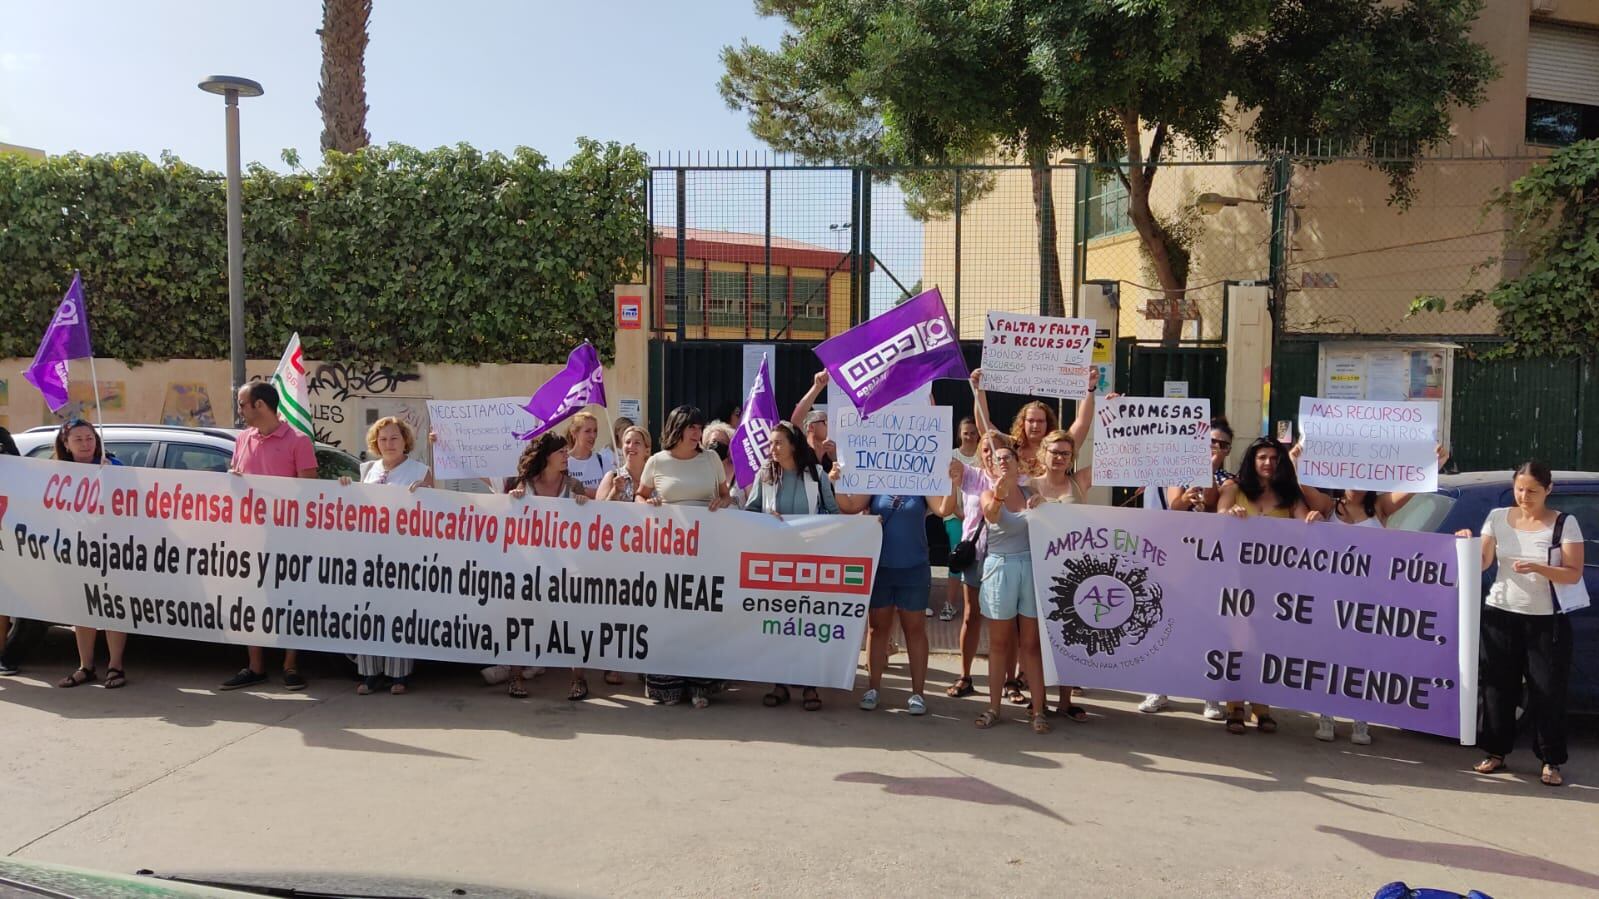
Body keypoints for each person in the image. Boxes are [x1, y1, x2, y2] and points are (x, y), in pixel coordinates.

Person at [1296, 442, 1447, 744]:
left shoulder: (1380, 507)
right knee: (1330, 656)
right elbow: (1303, 484)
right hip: (1332, 595)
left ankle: (1360, 720)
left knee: (1363, 658)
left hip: (1370, 596)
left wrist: (1435, 463)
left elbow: (1413, 486)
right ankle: (1326, 716)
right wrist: (1296, 458)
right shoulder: (1328, 506)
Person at [1457, 462, 1585, 787]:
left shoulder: (1563, 524)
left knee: (1547, 692)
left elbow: (1573, 572)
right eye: (1519, 489)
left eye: (1532, 491)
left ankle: (1551, 760)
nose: (1524, 496)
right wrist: (1467, 545)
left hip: (1546, 621)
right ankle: (1496, 752)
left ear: (1548, 490)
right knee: (1498, 688)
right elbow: (1484, 561)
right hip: (1501, 612)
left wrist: (1540, 569)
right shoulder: (1498, 517)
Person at [833, 460, 960, 717]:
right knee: (877, 628)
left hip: (914, 567)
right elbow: (848, 506)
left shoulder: (921, 479)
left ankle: (917, 693)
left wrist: (954, 481)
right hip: (881, 567)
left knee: (914, 629)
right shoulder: (875, 478)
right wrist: (835, 479)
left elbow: (945, 508)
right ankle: (874, 688)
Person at [221, 383, 319, 692]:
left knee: (287, 599)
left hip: (286, 537)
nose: (240, 411)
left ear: (260, 405)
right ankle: (255, 666)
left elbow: (310, 492)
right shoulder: (243, 439)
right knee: (251, 599)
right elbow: (236, 480)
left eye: (242, 404)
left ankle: (290, 665)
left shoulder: (299, 441)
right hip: (248, 535)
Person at [635, 405, 733, 708]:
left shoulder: (711, 459)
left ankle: (701, 686)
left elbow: (726, 494)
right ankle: (667, 686)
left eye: (699, 427)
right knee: (669, 616)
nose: (697, 433)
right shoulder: (657, 462)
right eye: (691, 427)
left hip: (706, 551)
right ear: (677, 429)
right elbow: (639, 494)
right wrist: (647, 502)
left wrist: (722, 501)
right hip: (668, 553)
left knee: (700, 615)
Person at [1139, 416, 1236, 718]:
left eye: (1223, 444)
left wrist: (1207, 475)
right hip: (1171, 561)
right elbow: (1176, 505)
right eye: (1211, 442)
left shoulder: (1228, 481)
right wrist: (1192, 481)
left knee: (1206, 628)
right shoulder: (1175, 472)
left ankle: (1209, 695)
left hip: (1207, 563)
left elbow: (1217, 511)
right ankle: (1159, 688)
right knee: (1164, 623)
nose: (1216, 448)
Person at [1215, 437, 1310, 734]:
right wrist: (1230, 515)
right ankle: (1234, 706)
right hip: (1235, 580)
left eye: (1273, 458)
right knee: (1238, 643)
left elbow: (1304, 523)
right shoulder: (1234, 489)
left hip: (1274, 583)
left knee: (1266, 644)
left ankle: (1262, 706)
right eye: (1262, 458)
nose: (1268, 463)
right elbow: (1218, 516)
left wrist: (1312, 518)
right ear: (1252, 462)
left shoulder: (1289, 496)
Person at [748, 422, 841, 712]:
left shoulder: (816, 475)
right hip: (775, 562)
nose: (772, 448)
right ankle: (780, 683)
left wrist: (863, 525)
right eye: (771, 443)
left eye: (778, 443)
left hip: (809, 561)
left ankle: (809, 685)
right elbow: (749, 512)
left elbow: (834, 514)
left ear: (793, 445)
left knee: (806, 623)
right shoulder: (764, 476)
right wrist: (767, 519)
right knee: (779, 623)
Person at [339, 417, 431, 696]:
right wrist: (345, 487)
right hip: (369, 552)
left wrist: (427, 495)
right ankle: (369, 673)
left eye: (394, 438)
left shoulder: (420, 471)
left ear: (405, 441)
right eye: (383, 439)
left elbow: (435, 511)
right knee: (368, 610)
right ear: (375, 443)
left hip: (404, 554)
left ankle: (398, 674)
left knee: (399, 611)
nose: (388, 444)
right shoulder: (367, 469)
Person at [971, 435, 1050, 733]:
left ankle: (1038, 710)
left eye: (1008, 457)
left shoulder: (1031, 491)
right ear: (990, 467)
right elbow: (992, 516)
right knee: (1000, 644)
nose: (1002, 461)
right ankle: (993, 707)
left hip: (1030, 568)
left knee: (1031, 645)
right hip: (1000, 569)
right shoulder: (988, 495)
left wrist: (1044, 506)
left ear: (1018, 464)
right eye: (996, 458)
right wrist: (1001, 494)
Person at [505, 431, 590, 700]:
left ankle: (578, 680)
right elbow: (507, 518)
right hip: (530, 565)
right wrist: (514, 499)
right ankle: (515, 678)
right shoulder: (524, 484)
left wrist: (584, 504)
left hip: (566, 567)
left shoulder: (573, 485)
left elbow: (591, 519)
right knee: (521, 621)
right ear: (546, 456)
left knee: (573, 623)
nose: (567, 456)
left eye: (566, 452)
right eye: (561, 452)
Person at [52, 420, 131, 690]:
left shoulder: (113, 466)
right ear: (66, 444)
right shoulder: (54, 471)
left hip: (111, 549)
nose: (86, 444)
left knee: (113, 608)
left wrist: (113, 477)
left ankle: (115, 666)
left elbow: (134, 499)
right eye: (79, 439)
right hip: (75, 550)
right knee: (82, 609)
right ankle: (86, 667)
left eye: (89, 438)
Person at [593, 425, 652, 687]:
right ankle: (612, 664)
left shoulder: (657, 478)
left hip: (648, 557)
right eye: (627, 442)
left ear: (647, 449)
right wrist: (615, 492)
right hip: (617, 558)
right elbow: (596, 513)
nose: (630, 447)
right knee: (615, 613)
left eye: (637, 442)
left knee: (643, 613)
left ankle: (642, 664)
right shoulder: (613, 475)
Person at [937, 416, 981, 622]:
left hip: (980, 519)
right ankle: (950, 604)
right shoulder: (952, 456)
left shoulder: (983, 456)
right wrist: (961, 514)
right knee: (958, 556)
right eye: (966, 433)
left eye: (973, 433)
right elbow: (948, 489)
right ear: (959, 435)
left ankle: (979, 606)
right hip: (956, 516)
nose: (970, 437)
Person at [790, 370, 837, 470]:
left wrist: (835, 458)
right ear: (811, 427)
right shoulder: (802, 451)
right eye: (825, 422)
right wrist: (817, 387)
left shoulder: (831, 456)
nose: (830, 427)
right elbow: (796, 421)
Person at [564, 411, 615, 498]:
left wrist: (583, 490)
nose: (593, 435)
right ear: (574, 433)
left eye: (595, 431)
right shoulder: (564, 461)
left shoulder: (602, 461)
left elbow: (611, 495)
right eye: (587, 431)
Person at [703, 420, 745, 508]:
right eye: (714, 441)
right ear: (706, 444)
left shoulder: (741, 472)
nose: (717, 445)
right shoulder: (701, 472)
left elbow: (752, 504)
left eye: (723, 442)